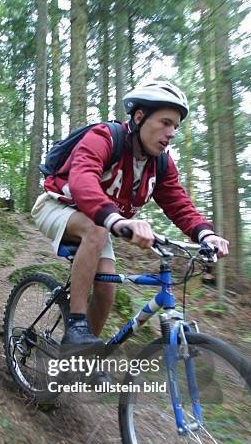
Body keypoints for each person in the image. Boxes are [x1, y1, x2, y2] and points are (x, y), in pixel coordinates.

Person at [31, 81, 229, 358]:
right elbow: (82, 179)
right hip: (56, 206)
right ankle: (76, 326)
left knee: (107, 288)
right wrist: (115, 220)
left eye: (175, 127)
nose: (171, 133)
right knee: (97, 231)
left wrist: (205, 234)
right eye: (165, 122)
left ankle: (81, 357)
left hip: (98, 221)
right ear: (139, 117)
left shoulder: (160, 163)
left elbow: (178, 204)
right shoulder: (106, 137)